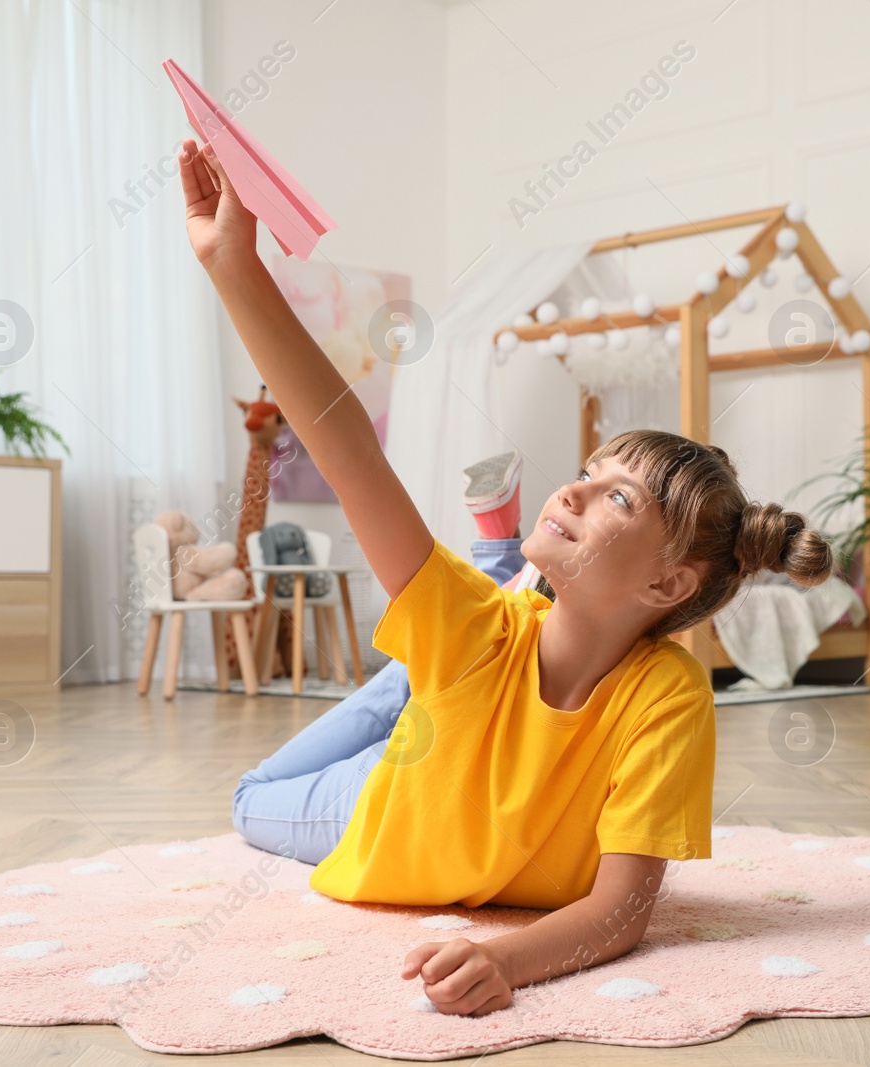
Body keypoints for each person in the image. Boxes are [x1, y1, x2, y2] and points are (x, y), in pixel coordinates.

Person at [177, 137, 834, 1018]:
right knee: (251, 799)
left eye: (618, 499)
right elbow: (346, 447)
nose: (575, 486)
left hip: (456, 685)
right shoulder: (485, 636)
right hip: (385, 807)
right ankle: (432, 657)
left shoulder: (671, 694)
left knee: (448, 643)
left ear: (670, 585)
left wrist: (510, 958)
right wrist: (234, 267)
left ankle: (436, 652)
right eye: (590, 469)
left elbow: (625, 907)